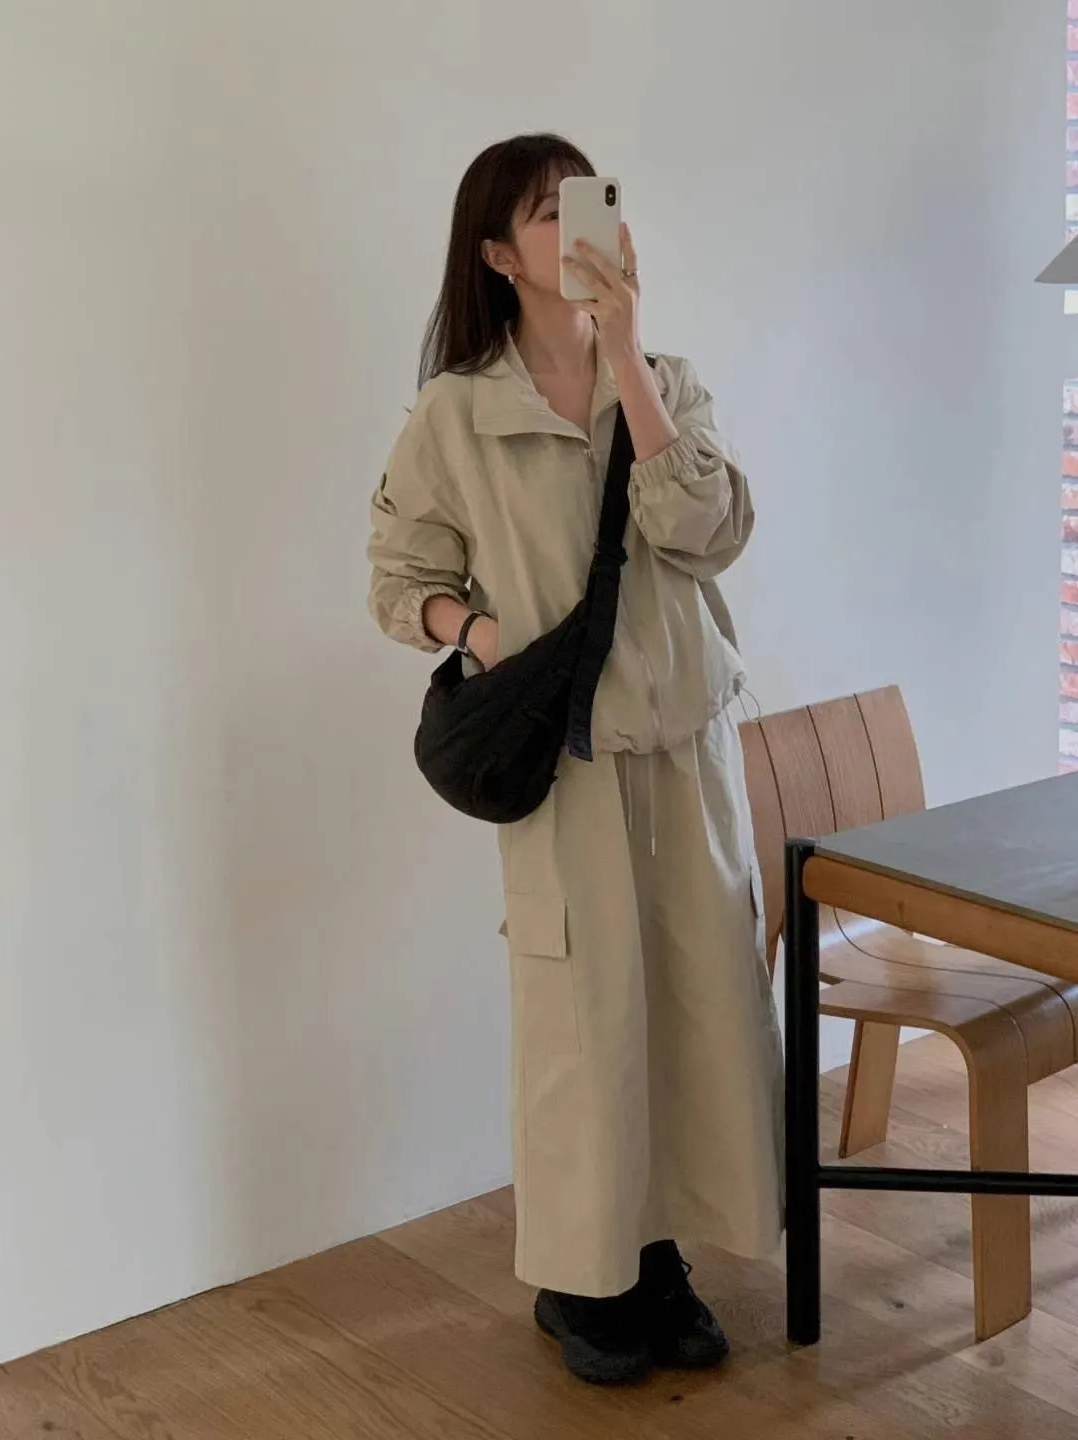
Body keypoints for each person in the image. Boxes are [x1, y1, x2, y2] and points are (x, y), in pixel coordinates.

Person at [368, 133, 783, 1386]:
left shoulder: (666, 381)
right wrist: (478, 633)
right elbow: (399, 577)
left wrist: (627, 355)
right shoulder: (458, 414)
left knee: (701, 1008)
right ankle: (583, 1280)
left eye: (592, 201)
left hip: (688, 751)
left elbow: (706, 532)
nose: (583, 226)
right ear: (498, 256)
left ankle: (664, 1261)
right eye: (550, 213)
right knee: (584, 1028)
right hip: (570, 764)